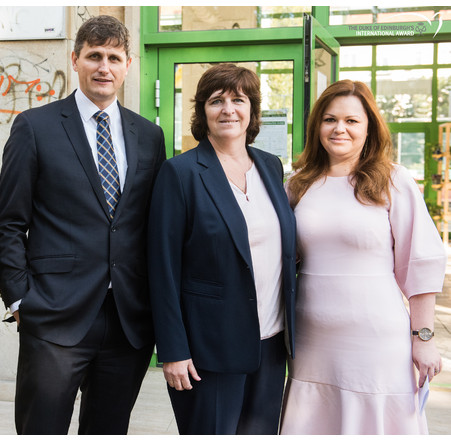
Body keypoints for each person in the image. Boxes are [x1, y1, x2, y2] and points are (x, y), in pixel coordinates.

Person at [0, 15, 166, 435]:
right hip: (53, 314)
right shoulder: (35, 127)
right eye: (94, 56)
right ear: (75, 60)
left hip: (128, 319)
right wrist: (19, 300)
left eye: (114, 58)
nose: (104, 67)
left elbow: (152, 224)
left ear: (128, 65)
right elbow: (10, 222)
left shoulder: (150, 135)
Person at [280, 79, 445, 434]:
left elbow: (419, 263)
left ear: (369, 127)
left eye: (351, 120)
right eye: (330, 119)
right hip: (311, 343)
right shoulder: (298, 184)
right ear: (317, 126)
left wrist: (424, 338)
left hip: (376, 340)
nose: (339, 128)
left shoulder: (393, 180)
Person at [147, 63, 297, 435]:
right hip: (208, 348)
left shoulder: (270, 166)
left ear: (252, 109)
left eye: (238, 100)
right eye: (216, 101)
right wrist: (173, 350)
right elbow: (162, 268)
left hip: (271, 342)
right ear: (203, 112)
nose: (228, 109)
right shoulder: (180, 172)